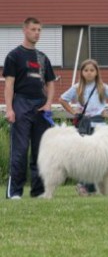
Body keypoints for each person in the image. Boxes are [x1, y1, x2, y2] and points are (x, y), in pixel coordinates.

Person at [3, 17, 57, 199]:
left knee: (40, 151)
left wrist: (48, 104)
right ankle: (15, 193)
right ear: (25, 30)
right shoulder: (14, 56)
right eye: (34, 29)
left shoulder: (43, 58)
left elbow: (50, 83)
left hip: (40, 106)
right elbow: (9, 85)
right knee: (20, 150)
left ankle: (39, 191)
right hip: (21, 104)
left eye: (39, 30)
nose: (37, 33)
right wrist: (9, 109)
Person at [59, 59, 108, 196]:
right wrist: (73, 111)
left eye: (92, 70)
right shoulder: (77, 88)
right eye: (86, 70)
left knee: (98, 158)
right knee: (85, 158)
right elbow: (62, 99)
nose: (89, 73)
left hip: (100, 127)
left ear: (96, 72)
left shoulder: (102, 87)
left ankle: (92, 187)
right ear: (81, 72)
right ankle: (84, 186)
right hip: (84, 127)